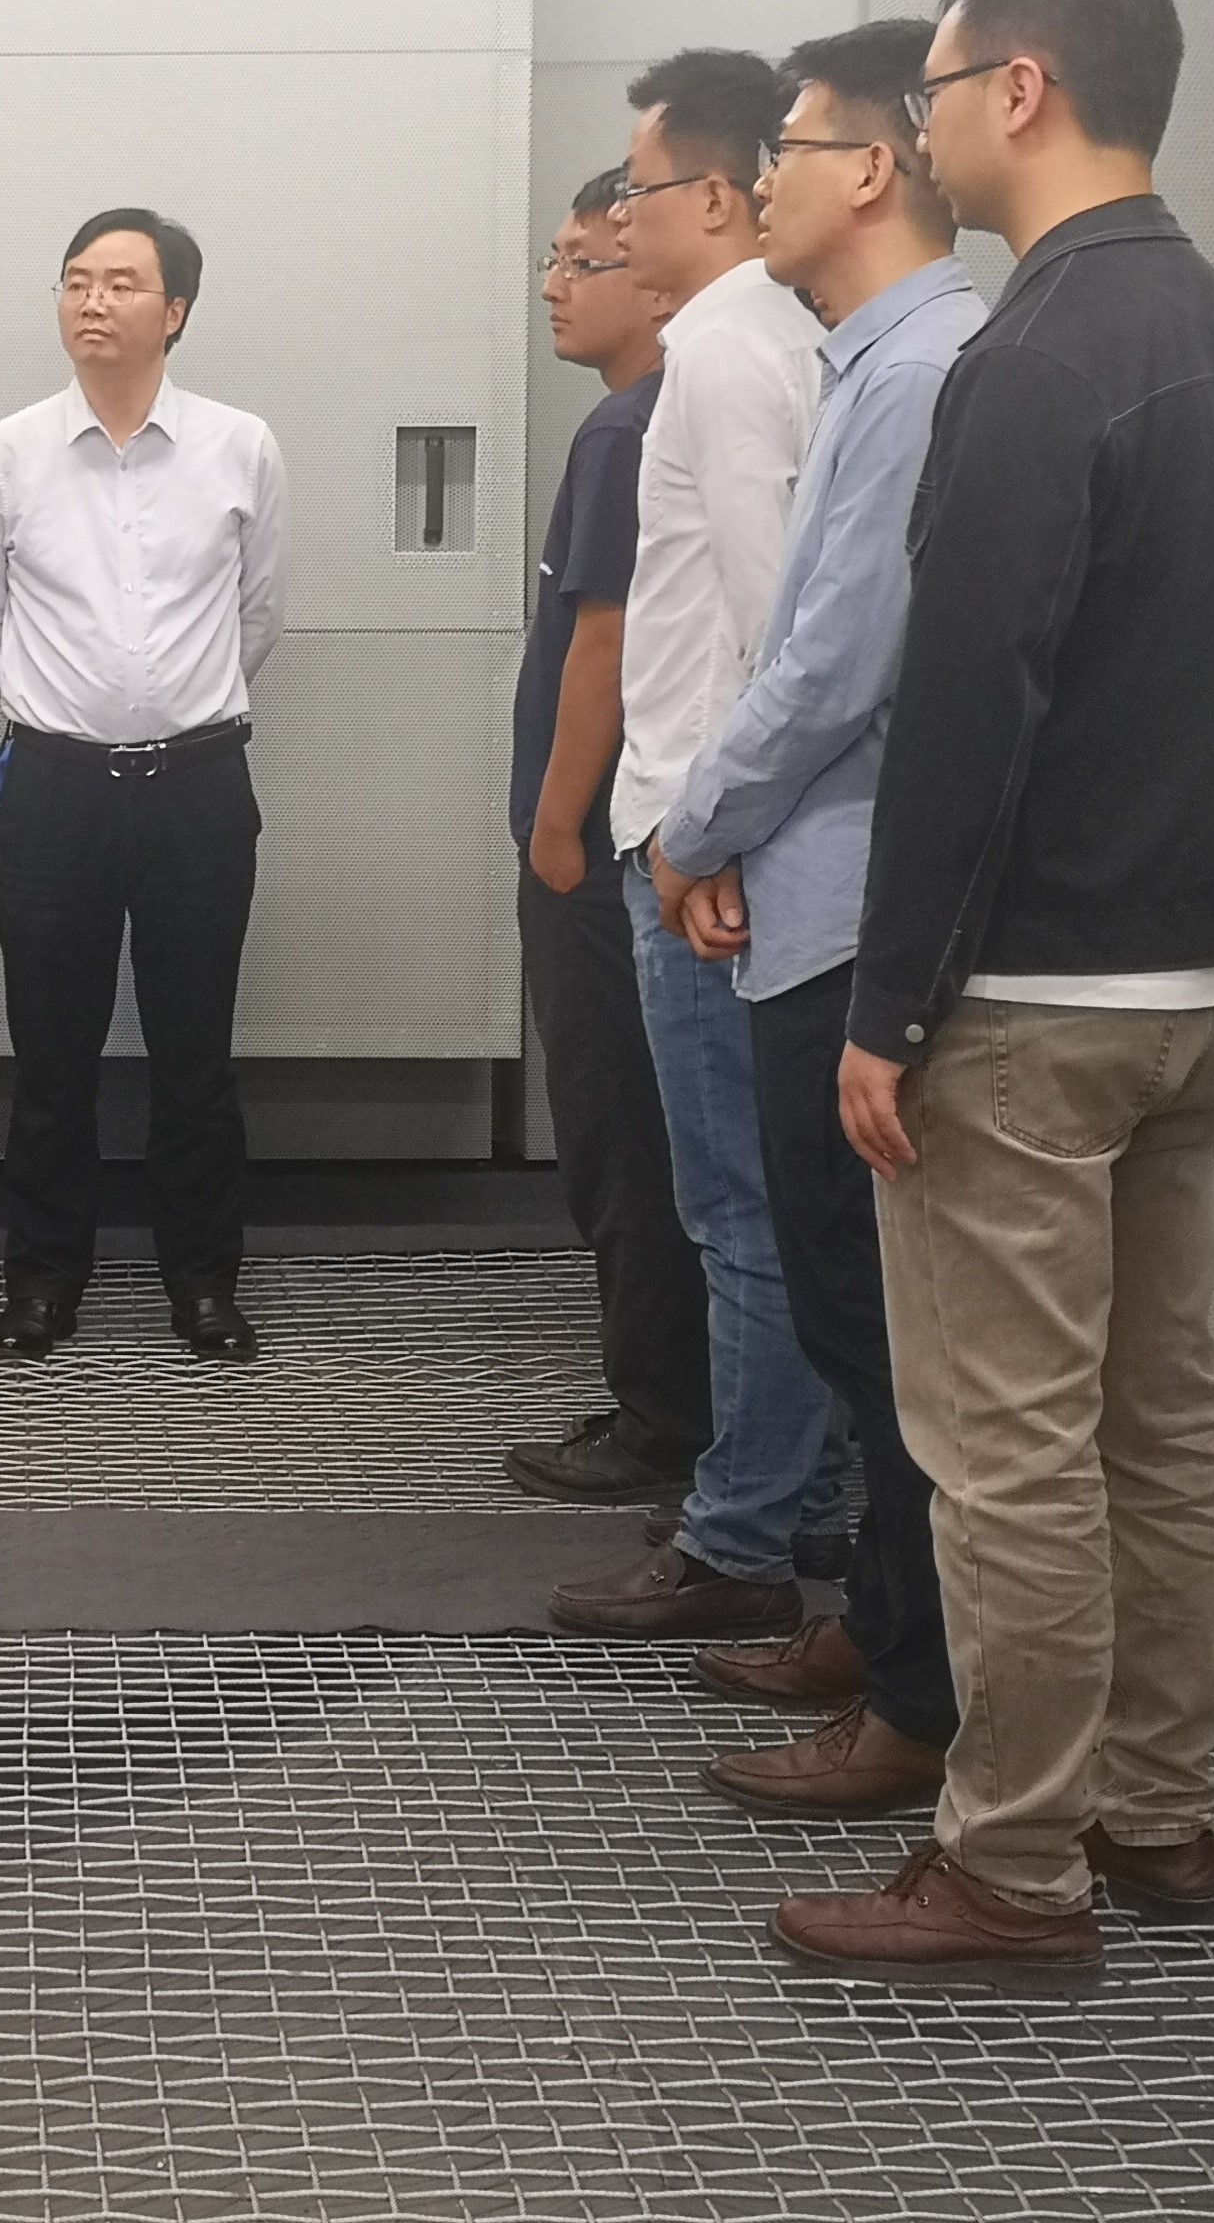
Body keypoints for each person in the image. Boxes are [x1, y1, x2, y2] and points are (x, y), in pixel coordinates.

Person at [777, 0, 1214, 1987]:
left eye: (934, 89)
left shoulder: (1032, 360)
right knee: (1160, 1427)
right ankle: (1158, 1816)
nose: (919, 130)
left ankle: (1011, 1870)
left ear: (1020, 89)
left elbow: (964, 719)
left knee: (1006, 1453)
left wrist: (886, 1008)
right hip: (1199, 988)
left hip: (1025, 1007)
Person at [645, 20, 984, 1823]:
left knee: (872, 1327)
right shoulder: (868, 354)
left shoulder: (920, 369)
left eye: (786, 147)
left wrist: (692, 826)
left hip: (847, 909)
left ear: (870, 167)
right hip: (808, 888)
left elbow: (830, 657)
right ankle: (885, 1636)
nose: (757, 180)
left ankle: (918, 1703)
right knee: (857, 1318)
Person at [548, 47, 844, 1645]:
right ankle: (784, 1491)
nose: (617, 219)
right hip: (731, 831)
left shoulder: (725, 354)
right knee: (771, 1206)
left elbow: (765, 617)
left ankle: (740, 1537)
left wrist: (700, 838)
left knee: (737, 1211)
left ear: (717, 197)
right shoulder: (781, 339)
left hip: (701, 842)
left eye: (641, 188)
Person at [0, 211, 284, 1363]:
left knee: (197, 1055)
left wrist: (168, 707)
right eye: (76, 281)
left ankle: (204, 1284)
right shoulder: (3, 455)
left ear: (175, 311)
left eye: (122, 283)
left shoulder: (241, 447)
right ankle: (44, 1282)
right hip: (55, 790)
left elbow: (258, 615)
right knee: (52, 1056)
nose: (93, 301)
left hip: (198, 786)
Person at [503, 174, 706, 1501]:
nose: (554, 286)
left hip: (598, 847)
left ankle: (660, 1419)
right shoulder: (653, 419)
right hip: (632, 838)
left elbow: (607, 647)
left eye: (583, 262)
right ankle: (677, 1401)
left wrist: (554, 825)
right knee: (645, 1131)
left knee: (620, 1132)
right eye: (554, 258)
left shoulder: (629, 432)